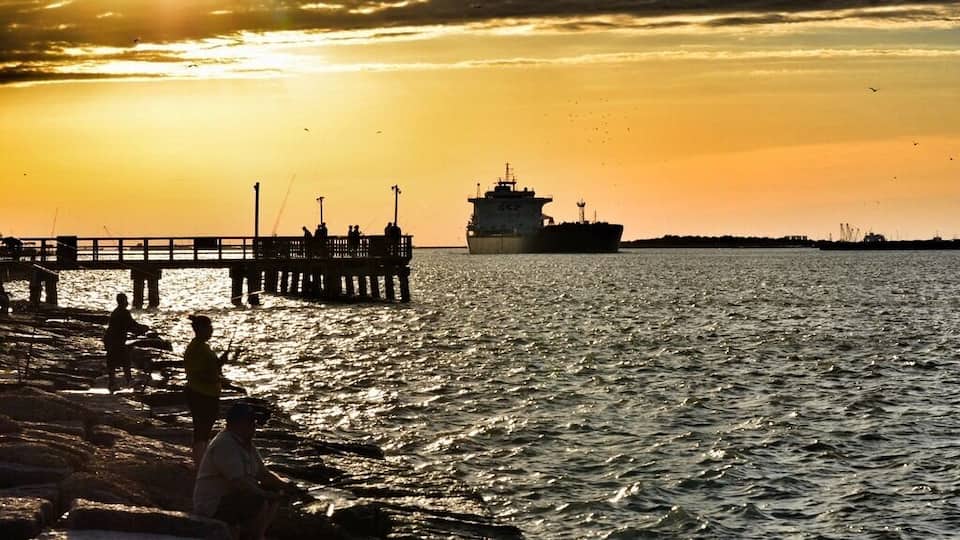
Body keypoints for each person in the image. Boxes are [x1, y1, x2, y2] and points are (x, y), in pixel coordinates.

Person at [193, 403, 298, 539]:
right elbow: (239, 481)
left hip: (233, 498)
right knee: (257, 499)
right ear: (237, 424)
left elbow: (263, 474)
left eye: (254, 423)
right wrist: (264, 494)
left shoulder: (245, 443)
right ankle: (254, 536)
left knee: (273, 489)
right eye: (250, 423)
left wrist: (286, 485)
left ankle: (258, 533)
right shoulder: (225, 444)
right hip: (213, 504)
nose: (254, 427)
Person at [184, 314, 231, 466]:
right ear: (202, 329)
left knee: (202, 430)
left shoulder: (200, 347)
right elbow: (200, 373)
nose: (212, 330)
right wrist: (216, 379)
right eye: (209, 327)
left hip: (202, 393)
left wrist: (220, 363)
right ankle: (201, 463)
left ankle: (201, 460)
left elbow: (209, 368)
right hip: (202, 394)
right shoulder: (199, 349)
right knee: (202, 430)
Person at [102, 293, 148, 393]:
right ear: (123, 301)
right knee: (125, 360)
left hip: (110, 340)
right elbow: (131, 325)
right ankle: (128, 381)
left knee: (112, 361)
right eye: (126, 300)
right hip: (116, 340)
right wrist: (142, 328)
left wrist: (139, 329)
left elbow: (129, 325)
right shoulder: (123, 312)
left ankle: (112, 383)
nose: (127, 302)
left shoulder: (116, 312)